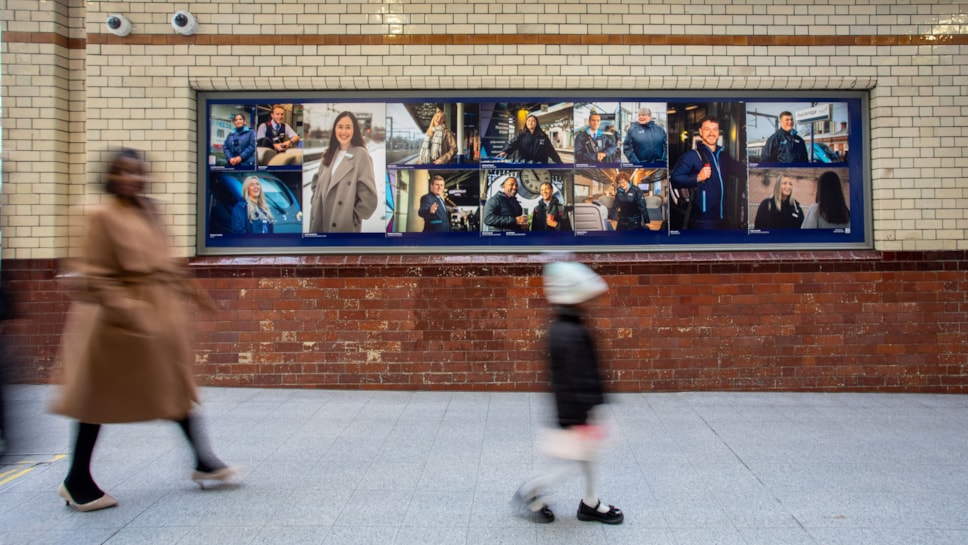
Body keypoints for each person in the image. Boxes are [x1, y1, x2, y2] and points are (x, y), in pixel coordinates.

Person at [50, 149, 236, 513]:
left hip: (154, 317)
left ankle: (203, 460)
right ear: (110, 176)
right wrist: (131, 312)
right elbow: (92, 277)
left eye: (138, 172)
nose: (132, 179)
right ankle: (76, 479)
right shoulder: (98, 215)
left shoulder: (150, 210)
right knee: (96, 400)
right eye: (123, 172)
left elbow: (166, 263)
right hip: (112, 326)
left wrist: (195, 295)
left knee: (176, 390)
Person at [513, 260, 623, 526]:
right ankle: (531, 493)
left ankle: (591, 502)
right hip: (576, 413)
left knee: (586, 455)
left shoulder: (568, 326)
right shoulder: (569, 332)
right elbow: (574, 379)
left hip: (578, 410)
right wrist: (583, 416)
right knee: (569, 462)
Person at [670, 116, 747, 230]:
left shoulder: (723, 156)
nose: (711, 133)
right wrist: (697, 178)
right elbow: (675, 179)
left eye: (715, 129)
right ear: (700, 132)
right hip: (702, 220)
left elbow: (741, 171)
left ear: (718, 132)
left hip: (723, 218)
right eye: (707, 129)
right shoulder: (692, 156)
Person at [309, 111, 378, 233]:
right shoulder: (328, 154)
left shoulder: (361, 155)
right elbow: (316, 183)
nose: (343, 132)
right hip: (319, 223)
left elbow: (369, 198)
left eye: (348, 127)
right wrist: (315, 202)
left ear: (354, 130)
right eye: (340, 127)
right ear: (335, 129)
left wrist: (351, 218)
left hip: (342, 227)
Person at [497, 114, 562, 164]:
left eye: (533, 121)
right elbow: (512, 144)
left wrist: (559, 162)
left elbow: (550, 150)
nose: (530, 123)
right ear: (526, 123)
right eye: (528, 120)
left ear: (536, 123)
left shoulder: (543, 136)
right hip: (524, 163)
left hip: (539, 164)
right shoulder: (521, 135)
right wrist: (505, 151)